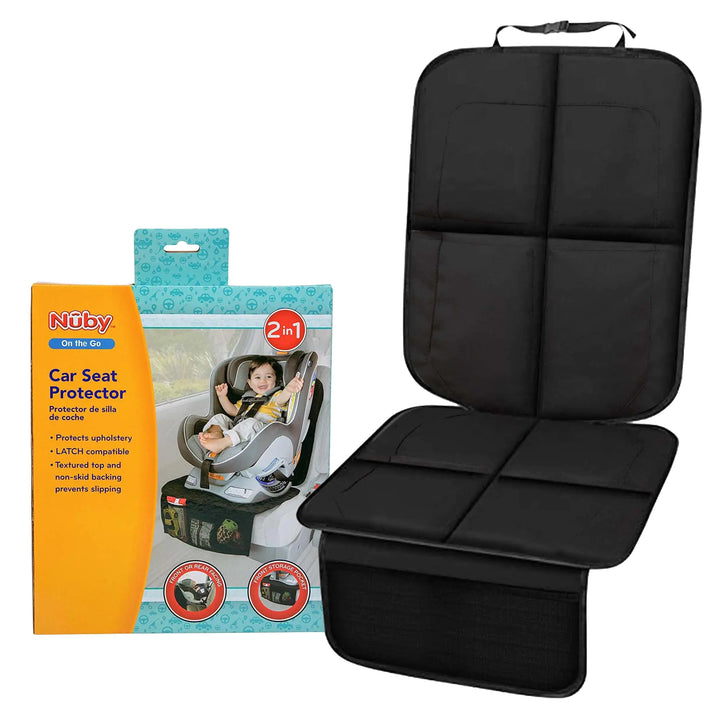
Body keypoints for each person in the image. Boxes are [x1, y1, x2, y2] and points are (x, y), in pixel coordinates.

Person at [198, 356, 303, 455]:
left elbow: (281, 400)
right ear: (250, 383)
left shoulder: (276, 395)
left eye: (269, 376)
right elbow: (233, 411)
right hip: (240, 428)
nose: (263, 381)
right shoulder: (247, 399)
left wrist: (288, 390)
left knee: (250, 423)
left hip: (263, 432)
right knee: (219, 417)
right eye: (257, 377)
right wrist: (222, 397)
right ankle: (216, 435)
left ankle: (223, 443)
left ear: (276, 380)